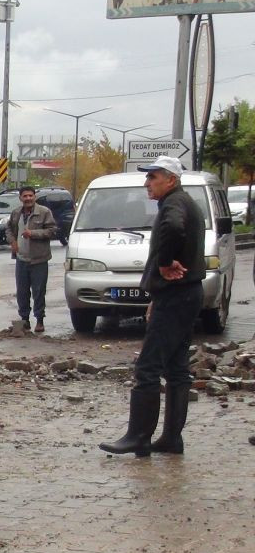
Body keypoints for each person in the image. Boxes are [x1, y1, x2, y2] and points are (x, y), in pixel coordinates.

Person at [99, 156, 204, 457]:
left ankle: (138, 436)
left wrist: (163, 263)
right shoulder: (183, 201)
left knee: (148, 368)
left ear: (170, 179)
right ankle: (171, 439)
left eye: (153, 177)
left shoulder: (173, 205)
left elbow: (173, 228)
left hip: (176, 295)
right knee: (177, 368)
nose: (147, 183)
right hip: (183, 294)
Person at [7, 186, 59, 333]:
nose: (28, 198)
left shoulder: (44, 212)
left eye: (30, 196)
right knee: (22, 292)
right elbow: (8, 229)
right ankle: (24, 320)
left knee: (38, 291)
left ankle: (40, 320)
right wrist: (12, 241)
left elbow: (52, 230)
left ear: (34, 197)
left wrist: (33, 233)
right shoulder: (16, 213)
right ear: (20, 198)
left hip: (39, 259)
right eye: (25, 196)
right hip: (21, 259)